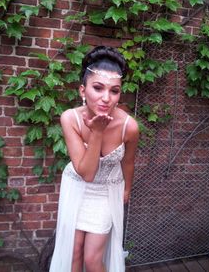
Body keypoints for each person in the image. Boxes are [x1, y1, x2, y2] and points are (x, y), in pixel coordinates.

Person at [49, 45, 139, 272]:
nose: (106, 98)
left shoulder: (129, 127)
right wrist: (97, 131)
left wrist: (126, 190)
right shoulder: (70, 118)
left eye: (114, 91)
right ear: (82, 90)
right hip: (77, 187)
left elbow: (128, 162)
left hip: (107, 192)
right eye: (98, 88)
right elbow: (86, 173)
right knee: (73, 255)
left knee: (92, 259)